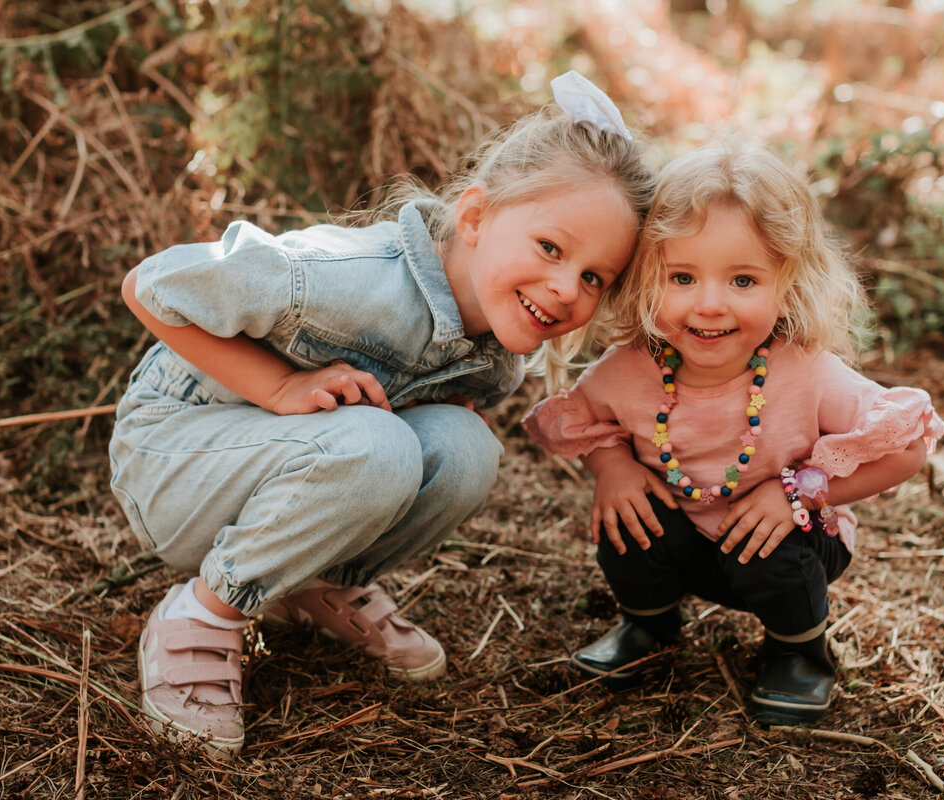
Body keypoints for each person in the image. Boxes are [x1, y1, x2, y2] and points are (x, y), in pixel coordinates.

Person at [109, 72, 655, 758]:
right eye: (551, 248)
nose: (565, 288)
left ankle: (310, 582)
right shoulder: (342, 277)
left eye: (594, 277)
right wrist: (280, 388)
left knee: (465, 449)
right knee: (379, 446)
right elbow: (150, 286)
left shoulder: (495, 360)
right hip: (172, 465)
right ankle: (201, 615)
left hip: (269, 484)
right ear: (477, 216)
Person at [524, 133, 944, 725]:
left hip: (787, 545)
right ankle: (650, 624)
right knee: (624, 518)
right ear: (648, 277)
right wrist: (612, 467)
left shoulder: (807, 370)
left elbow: (907, 446)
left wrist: (802, 491)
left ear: (787, 283)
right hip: (683, 542)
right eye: (683, 278)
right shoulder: (629, 369)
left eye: (743, 281)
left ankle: (800, 654)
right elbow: (582, 424)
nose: (711, 305)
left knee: (775, 547)